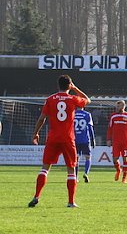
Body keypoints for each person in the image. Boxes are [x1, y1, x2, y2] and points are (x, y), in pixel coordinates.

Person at [28, 75, 91, 208]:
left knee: (45, 168)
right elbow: (88, 100)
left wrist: (36, 133)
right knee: (71, 170)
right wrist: (75, 88)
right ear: (69, 85)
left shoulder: (50, 99)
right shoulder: (73, 99)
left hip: (53, 138)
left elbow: (42, 118)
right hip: (68, 138)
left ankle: (36, 196)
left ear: (58, 86)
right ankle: (70, 202)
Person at [107, 100, 127, 184]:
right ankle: (118, 170)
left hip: (125, 142)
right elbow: (109, 128)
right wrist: (108, 139)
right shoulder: (113, 116)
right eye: (116, 106)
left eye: (118, 106)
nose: (116, 108)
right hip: (116, 142)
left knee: (125, 159)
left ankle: (124, 178)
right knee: (114, 160)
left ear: (123, 107)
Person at [73, 105, 96, 183]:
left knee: (76, 159)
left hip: (75, 139)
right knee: (88, 157)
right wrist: (93, 140)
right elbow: (90, 128)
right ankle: (86, 173)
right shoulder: (87, 114)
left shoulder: (72, 114)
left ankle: (75, 177)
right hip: (85, 140)